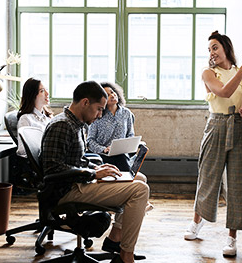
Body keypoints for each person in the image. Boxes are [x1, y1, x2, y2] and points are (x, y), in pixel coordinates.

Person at [41, 81, 150, 263]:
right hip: (67, 191)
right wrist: (92, 174)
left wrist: (96, 168)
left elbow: (74, 161)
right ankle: (126, 256)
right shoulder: (62, 126)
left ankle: (117, 241)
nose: (100, 115)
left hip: (77, 183)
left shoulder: (75, 124)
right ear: (85, 102)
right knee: (139, 190)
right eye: (99, 109)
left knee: (137, 178)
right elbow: (53, 170)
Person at [184, 30, 242, 257]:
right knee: (208, 176)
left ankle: (232, 238)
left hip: (238, 127)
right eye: (209, 50)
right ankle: (196, 223)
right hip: (215, 125)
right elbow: (224, 93)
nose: (212, 53)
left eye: (215, 47)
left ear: (226, 48)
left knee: (238, 183)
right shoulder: (208, 73)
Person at [86, 82, 135, 171]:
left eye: (112, 92)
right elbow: (90, 141)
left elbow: (130, 135)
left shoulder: (127, 113)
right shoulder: (96, 114)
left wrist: (128, 146)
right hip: (102, 156)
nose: (112, 95)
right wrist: (104, 149)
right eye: (108, 95)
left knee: (122, 158)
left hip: (121, 154)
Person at [16, 77, 53, 158]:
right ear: (32, 95)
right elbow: (22, 150)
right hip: (43, 163)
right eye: (42, 91)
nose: (47, 93)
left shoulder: (48, 117)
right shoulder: (26, 119)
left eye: (46, 89)